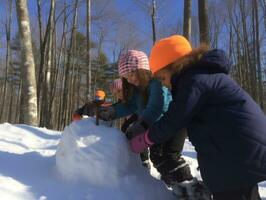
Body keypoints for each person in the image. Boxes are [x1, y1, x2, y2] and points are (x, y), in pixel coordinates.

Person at [128, 35, 266, 200]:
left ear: (175, 66)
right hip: (239, 150)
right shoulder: (202, 76)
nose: (164, 84)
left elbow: (175, 118)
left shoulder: (195, 80)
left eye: (163, 78)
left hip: (237, 153)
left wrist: (146, 138)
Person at [99, 50, 195, 191]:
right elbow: (129, 106)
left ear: (142, 69)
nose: (130, 79)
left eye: (131, 74)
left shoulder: (156, 83)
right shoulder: (137, 91)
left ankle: (191, 188)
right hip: (160, 128)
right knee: (156, 157)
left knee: (169, 156)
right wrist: (112, 111)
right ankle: (175, 187)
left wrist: (142, 124)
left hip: (174, 124)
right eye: (126, 77)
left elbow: (156, 107)